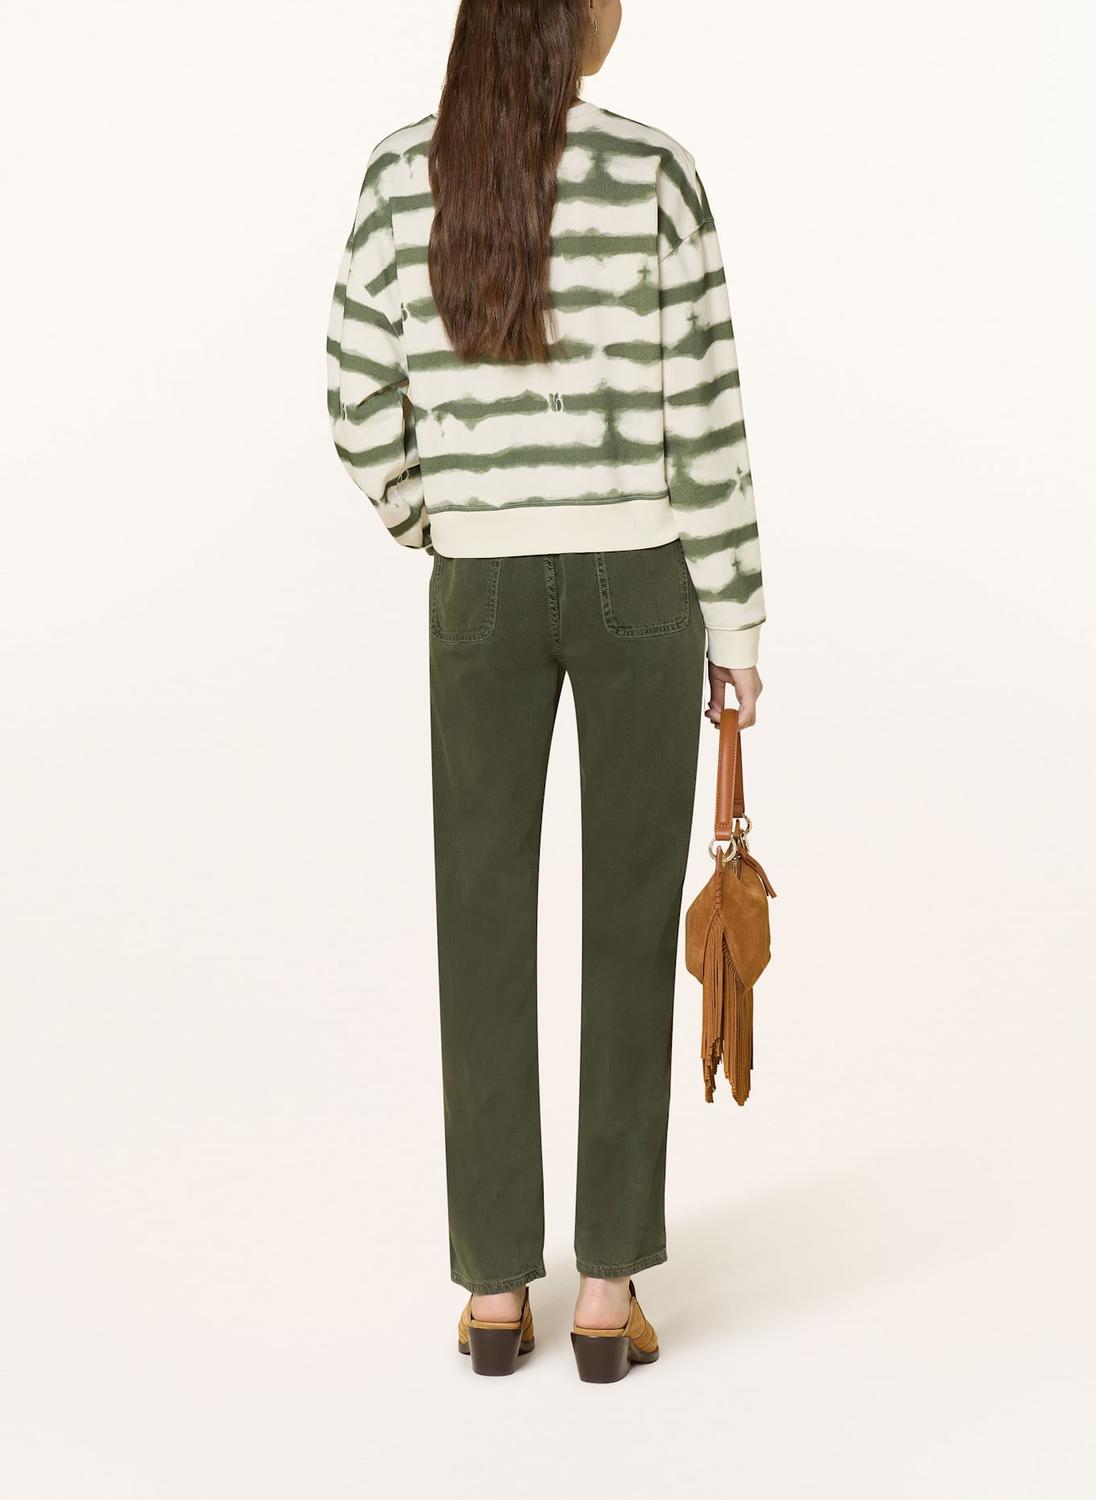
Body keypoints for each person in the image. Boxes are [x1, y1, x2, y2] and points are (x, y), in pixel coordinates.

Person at [325, 0, 765, 1382]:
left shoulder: (404, 175)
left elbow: (355, 404)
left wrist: (445, 521)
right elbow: (708, 418)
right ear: (578, 17)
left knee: (480, 923)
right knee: (627, 923)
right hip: (642, 583)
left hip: (481, 593)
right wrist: (738, 622)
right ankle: (608, 1292)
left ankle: (496, 1292)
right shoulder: (654, 173)